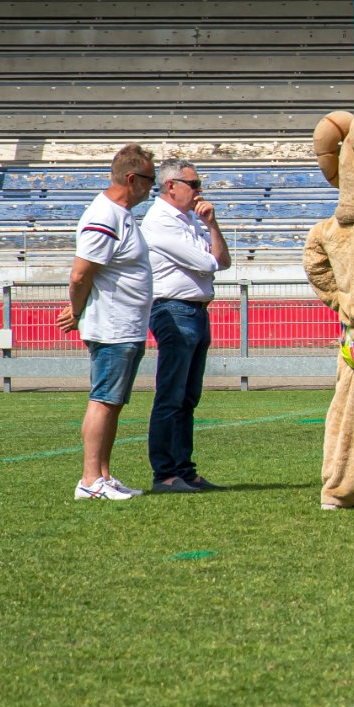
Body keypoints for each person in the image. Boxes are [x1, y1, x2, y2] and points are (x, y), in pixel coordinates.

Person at [58, 143, 156, 500]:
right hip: (113, 325)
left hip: (125, 324)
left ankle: (103, 474)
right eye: (150, 180)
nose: (152, 188)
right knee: (103, 400)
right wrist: (77, 311)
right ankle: (89, 480)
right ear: (132, 179)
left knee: (113, 402)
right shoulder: (104, 216)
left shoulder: (120, 214)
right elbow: (80, 275)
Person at [141, 158, 230, 494]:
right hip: (174, 309)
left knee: (187, 397)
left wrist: (213, 225)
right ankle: (165, 472)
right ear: (171, 186)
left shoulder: (190, 219)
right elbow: (208, 262)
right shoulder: (160, 222)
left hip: (194, 310)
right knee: (171, 395)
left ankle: (184, 470)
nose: (199, 191)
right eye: (193, 184)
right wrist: (211, 248)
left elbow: (223, 261)